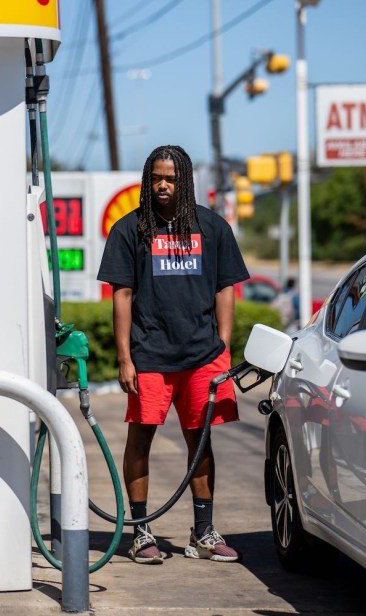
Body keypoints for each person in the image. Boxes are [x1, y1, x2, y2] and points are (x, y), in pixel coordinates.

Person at [97, 145, 249, 565]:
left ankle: (203, 534)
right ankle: (141, 532)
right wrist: (125, 358)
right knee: (140, 439)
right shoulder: (130, 230)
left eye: (172, 179)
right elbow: (122, 295)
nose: (163, 186)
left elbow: (225, 287)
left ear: (185, 180)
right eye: (157, 178)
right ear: (148, 180)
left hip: (203, 358)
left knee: (200, 443)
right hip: (149, 356)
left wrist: (221, 344)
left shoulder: (213, 227)